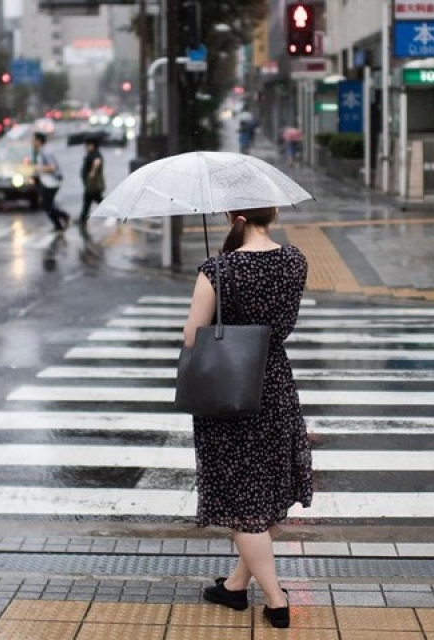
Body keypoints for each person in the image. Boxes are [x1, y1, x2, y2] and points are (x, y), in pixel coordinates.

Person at [182, 206, 312, 630]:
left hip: (230, 389)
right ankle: (236, 586)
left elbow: (192, 336)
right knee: (263, 493)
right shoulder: (295, 261)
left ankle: (275, 601)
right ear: (272, 212)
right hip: (274, 383)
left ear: (230, 214)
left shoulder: (218, 269)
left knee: (243, 501)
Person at [31, 131, 69, 232]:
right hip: (48, 182)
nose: (32, 142)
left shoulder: (45, 151)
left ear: (39, 141)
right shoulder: (40, 151)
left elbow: (52, 167)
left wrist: (38, 168)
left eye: (34, 140)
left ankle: (61, 221)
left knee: (46, 205)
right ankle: (60, 221)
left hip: (51, 183)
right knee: (47, 205)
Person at [78, 138, 104, 227]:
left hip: (93, 184)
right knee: (88, 200)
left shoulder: (95, 154)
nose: (85, 147)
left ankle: (82, 218)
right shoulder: (91, 154)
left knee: (99, 201)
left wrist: (92, 172)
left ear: (92, 145)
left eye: (87, 145)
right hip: (91, 184)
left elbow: (97, 162)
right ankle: (82, 218)